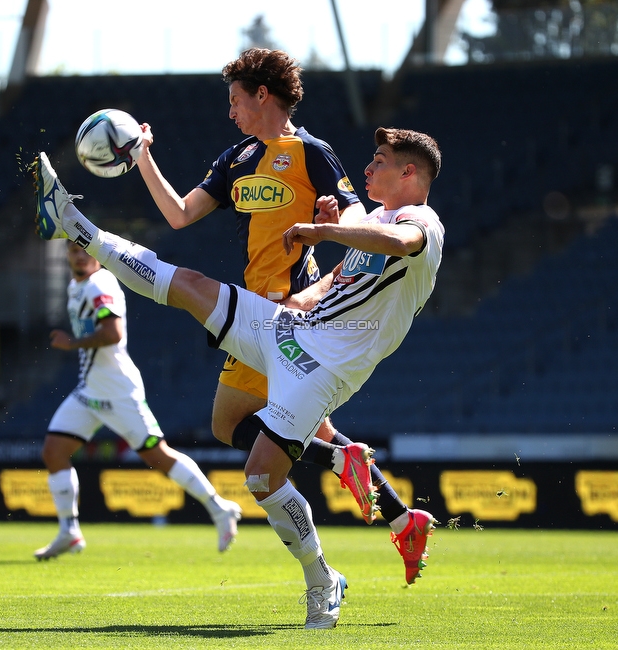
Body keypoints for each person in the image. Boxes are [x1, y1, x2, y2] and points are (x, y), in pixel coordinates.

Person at [32, 125, 443, 627]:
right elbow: (340, 279)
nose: (368, 167)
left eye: (379, 160)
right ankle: (74, 223)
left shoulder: (422, 222)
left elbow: (401, 242)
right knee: (189, 285)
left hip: (322, 369)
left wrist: (325, 231)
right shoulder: (375, 217)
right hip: (291, 328)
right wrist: (300, 299)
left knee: (260, 477)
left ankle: (322, 578)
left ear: (408, 171)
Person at [133, 47, 434, 584]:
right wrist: (142, 159)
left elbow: (364, 224)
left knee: (228, 425)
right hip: (261, 306)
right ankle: (401, 518)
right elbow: (179, 215)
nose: (230, 112)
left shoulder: (313, 153)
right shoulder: (235, 159)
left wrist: (327, 222)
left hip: (284, 312)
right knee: (315, 431)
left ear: (262, 95)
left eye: (235, 100)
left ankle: (348, 480)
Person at [34, 240, 243, 560]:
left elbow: (113, 333)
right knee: (54, 451)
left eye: (85, 251)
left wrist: (71, 343)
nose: (80, 257)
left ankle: (220, 508)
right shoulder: (76, 286)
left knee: (158, 456)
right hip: (90, 390)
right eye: (74, 252)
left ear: (97, 258)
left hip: (118, 390)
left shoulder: (100, 283)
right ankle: (69, 531)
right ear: (67, 256)